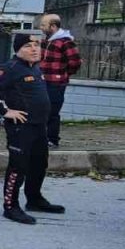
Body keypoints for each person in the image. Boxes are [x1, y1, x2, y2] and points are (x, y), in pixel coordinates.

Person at [0, 30, 65, 225]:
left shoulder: (35, 67)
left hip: (39, 127)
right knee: (18, 167)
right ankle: (10, 206)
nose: (34, 49)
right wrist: (5, 111)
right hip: (21, 129)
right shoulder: (10, 68)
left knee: (39, 164)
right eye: (28, 46)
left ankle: (34, 199)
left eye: (37, 45)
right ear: (18, 49)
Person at [39, 12, 81, 148]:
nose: (41, 27)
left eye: (43, 25)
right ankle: (41, 138)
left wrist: (63, 74)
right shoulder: (46, 41)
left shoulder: (66, 42)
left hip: (56, 83)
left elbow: (75, 62)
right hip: (43, 81)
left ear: (53, 26)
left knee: (52, 112)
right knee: (42, 110)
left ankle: (52, 139)